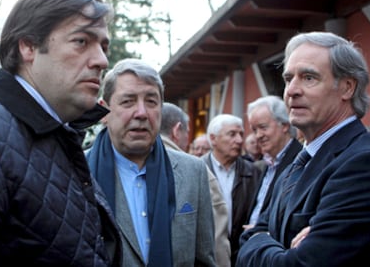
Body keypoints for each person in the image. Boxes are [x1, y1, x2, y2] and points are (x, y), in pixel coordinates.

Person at [0, 0, 122, 266]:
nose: (102, 60)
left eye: (103, 46)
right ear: (27, 47)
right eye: (81, 41)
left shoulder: (59, 136)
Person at [236, 31, 370, 266]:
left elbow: (302, 263)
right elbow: (247, 238)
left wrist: (261, 239)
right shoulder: (297, 163)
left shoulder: (365, 164)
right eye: (288, 79)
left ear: (347, 87)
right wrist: (264, 240)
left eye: (308, 77)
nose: (291, 90)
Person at [86, 58, 215, 266]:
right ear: (104, 111)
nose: (142, 113)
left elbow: (204, 260)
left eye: (151, 102)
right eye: (128, 101)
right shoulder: (76, 170)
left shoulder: (194, 171)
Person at [160, 102, 231, 267]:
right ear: (177, 131)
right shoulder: (197, 170)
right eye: (188, 133)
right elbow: (216, 241)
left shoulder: (128, 163)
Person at [201, 114, 262, 266]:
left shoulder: (254, 173)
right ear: (213, 139)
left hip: (243, 255)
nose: (239, 140)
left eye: (241, 134)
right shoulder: (197, 170)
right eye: (232, 134)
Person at [243, 95, 302, 231]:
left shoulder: (300, 162)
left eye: (263, 127)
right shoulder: (267, 165)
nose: (258, 135)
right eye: (254, 130)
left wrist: (260, 231)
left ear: (285, 125)